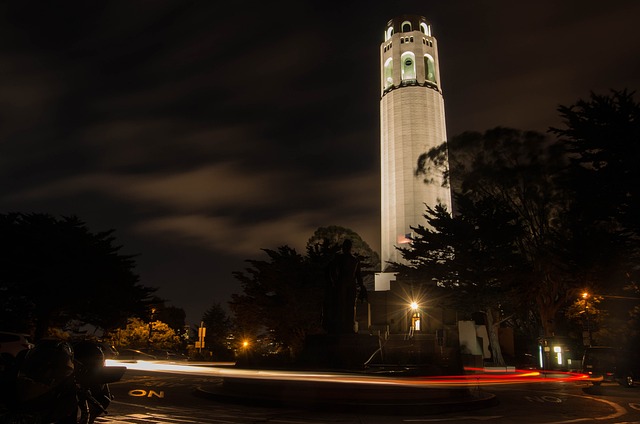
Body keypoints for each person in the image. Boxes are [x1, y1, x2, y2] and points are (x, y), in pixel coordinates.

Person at [324, 239, 366, 334]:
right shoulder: (339, 259)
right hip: (342, 284)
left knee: (350, 306)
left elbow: (358, 275)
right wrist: (334, 282)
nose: (346, 248)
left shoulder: (354, 260)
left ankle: (349, 326)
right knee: (341, 305)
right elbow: (331, 271)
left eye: (347, 246)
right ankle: (341, 326)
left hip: (348, 284)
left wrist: (362, 286)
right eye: (345, 246)